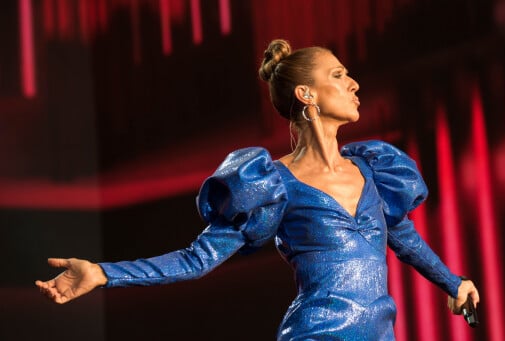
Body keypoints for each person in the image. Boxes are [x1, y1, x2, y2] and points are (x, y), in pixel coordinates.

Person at [36, 39, 479, 340]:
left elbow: (404, 239)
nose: (354, 84)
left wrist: (453, 283)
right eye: (340, 75)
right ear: (307, 93)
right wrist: (102, 272)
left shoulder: (374, 171)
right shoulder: (272, 183)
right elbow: (197, 259)